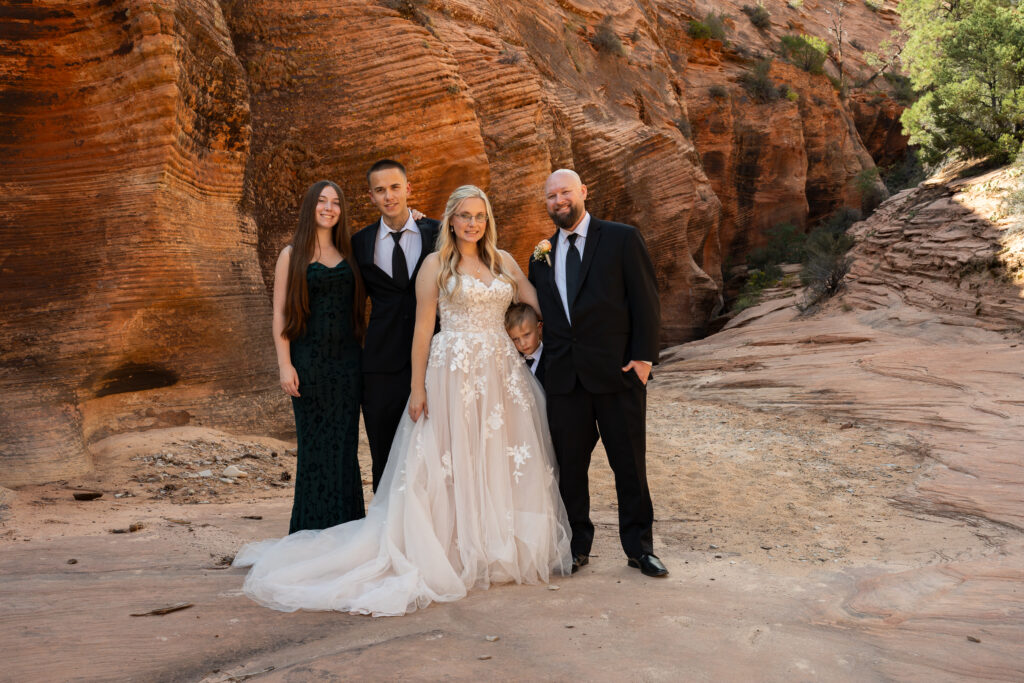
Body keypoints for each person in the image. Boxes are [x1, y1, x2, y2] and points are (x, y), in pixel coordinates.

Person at [234, 185, 571, 616]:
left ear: (488, 220)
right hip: (451, 373)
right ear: (451, 220)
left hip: (500, 372)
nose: (473, 223)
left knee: (497, 456)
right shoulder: (436, 264)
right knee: (449, 458)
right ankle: (451, 546)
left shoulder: (502, 261)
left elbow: (533, 301)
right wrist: (417, 387)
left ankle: (493, 546)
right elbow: (422, 331)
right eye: (465, 215)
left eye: (480, 216)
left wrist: (537, 333)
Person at [527, 169, 667, 578]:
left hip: (618, 375)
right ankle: (576, 546)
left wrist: (643, 360)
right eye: (551, 196)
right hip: (565, 381)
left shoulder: (622, 237)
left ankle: (640, 549)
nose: (558, 201)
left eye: (565, 192)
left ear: (583, 192)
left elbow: (647, 299)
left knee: (629, 466)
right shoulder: (541, 254)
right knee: (569, 468)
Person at [272, 180, 366, 534]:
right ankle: (309, 533)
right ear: (311, 207)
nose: (329, 208)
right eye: (322, 201)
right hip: (308, 364)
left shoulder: (350, 252)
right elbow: (280, 313)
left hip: (347, 366)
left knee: (344, 448)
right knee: (313, 448)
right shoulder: (291, 254)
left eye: (336, 202)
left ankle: (347, 530)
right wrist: (285, 364)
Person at [351, 160, 440, 491]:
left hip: (434, 360)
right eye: (380, 190)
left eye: (395, 187)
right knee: (384, 456)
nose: (389, 196)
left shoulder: (439, 233)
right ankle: (385, 530)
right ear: (370, 196)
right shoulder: (359, 243)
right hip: (380, 365)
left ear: (408, 189)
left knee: (434, 452)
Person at [505, 302, 545, 385]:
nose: (522, 343)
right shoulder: (513, 361)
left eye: (526, 335)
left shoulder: (551, 357)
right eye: (515, 339)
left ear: (539, 328)